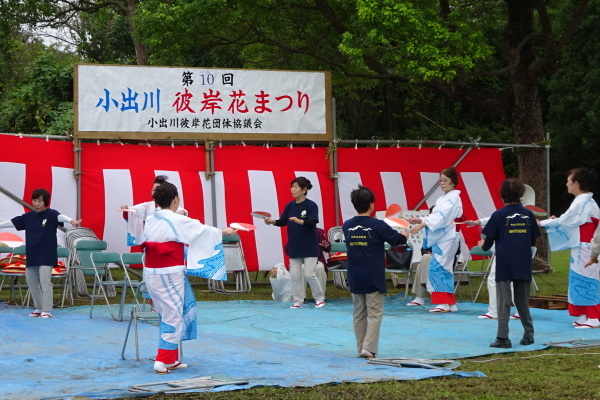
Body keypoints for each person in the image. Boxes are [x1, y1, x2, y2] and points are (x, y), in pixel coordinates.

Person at [141, 182, 235, 373]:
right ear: (175, 199)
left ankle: (171, 358)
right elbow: (202, 230)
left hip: (152, 272)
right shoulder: (175, 220)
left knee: (171, 312)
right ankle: (162, 359)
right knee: (173, 314)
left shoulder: (151, 219)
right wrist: (223, 231)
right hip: (168, 272)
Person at [343, 185, 408, 359]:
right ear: (371, 205)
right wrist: (406, 232)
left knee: (359, 313)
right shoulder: (378, 225)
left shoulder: (347, 225)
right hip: (373, 274)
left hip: (354, 274)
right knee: (375, 312)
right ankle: (369, 348)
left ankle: (360, 348)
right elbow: (398, 240)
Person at [0, 188, 81, 318]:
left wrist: (71, 220)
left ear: (46, 202)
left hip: (46, 254)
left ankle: (47, 310)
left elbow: (60, 216)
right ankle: (39, 307)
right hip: (32, 254)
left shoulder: (51, 214)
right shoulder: (29, 216)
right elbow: (12, 222)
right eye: (34, 200)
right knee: (31, 281)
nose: (36, 204)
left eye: (39, 201)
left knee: (45, 281)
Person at [479, 178, 541, 348]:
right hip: (522, 261)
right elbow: (533, 241)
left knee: (503, 301)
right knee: (522, 301)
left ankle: (503, 338)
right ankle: (529, 335)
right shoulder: (528, 215)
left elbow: (487, 243)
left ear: (502, 195)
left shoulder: (498, 215)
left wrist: (482, 246)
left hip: (505, 262)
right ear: (521, 194)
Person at [540, 168, 600, 329]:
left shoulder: (582, 201)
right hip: (582, 245)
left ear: (576, 183)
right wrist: (553, 222)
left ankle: (594, 316)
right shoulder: (583, 201)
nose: (566, 184)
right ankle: (583, 314)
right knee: (577, 279)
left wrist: (543, 223)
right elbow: (568, 221)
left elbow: (566, 221)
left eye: (569, 181)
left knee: (588, 279)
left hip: (587, 246)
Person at [264, 177, 326, 308]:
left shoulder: (311, 205)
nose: (293, 189)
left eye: (296, 187)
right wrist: (273, 221)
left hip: (309, 245)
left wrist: (300, 221)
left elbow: (314, 221)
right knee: (295, 275)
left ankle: (319, 298)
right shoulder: (290, 206)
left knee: (309, 274)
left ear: (304, 190)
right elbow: (282, 221)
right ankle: (298, 301)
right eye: (292, 186)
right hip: (295, 245)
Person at [408, 167, 463, 312]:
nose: (442, 183)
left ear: (453, 182)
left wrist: (421, 225)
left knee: (437, 269)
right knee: (445, 270)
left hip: (446, 237)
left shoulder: (453, 198)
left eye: (445, 180)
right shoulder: (443, 199)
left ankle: (442, 303)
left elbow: (441, 217)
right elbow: (435, 217)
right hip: (442, 237)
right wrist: (421, 219)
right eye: (441, 180)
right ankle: (450, 303)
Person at [466, 217, 520, 321]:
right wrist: (477, 222)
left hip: (506, 252)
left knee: (496, 280)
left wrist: (485, 246)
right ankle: (518, 311)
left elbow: (495, 220)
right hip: (514, 250)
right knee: (511, 281)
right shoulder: (522, 215)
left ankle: (495, 311)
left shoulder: (504, 214)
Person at [121, 175, 187, 246]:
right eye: (153, 190)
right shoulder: (147, 206)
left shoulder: (171, 205)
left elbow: (180, 211)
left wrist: (181, 213)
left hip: (167, 242)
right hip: (152, 242)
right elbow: (134, 210)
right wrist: (126, 208)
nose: (155, 192)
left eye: (158, 190)